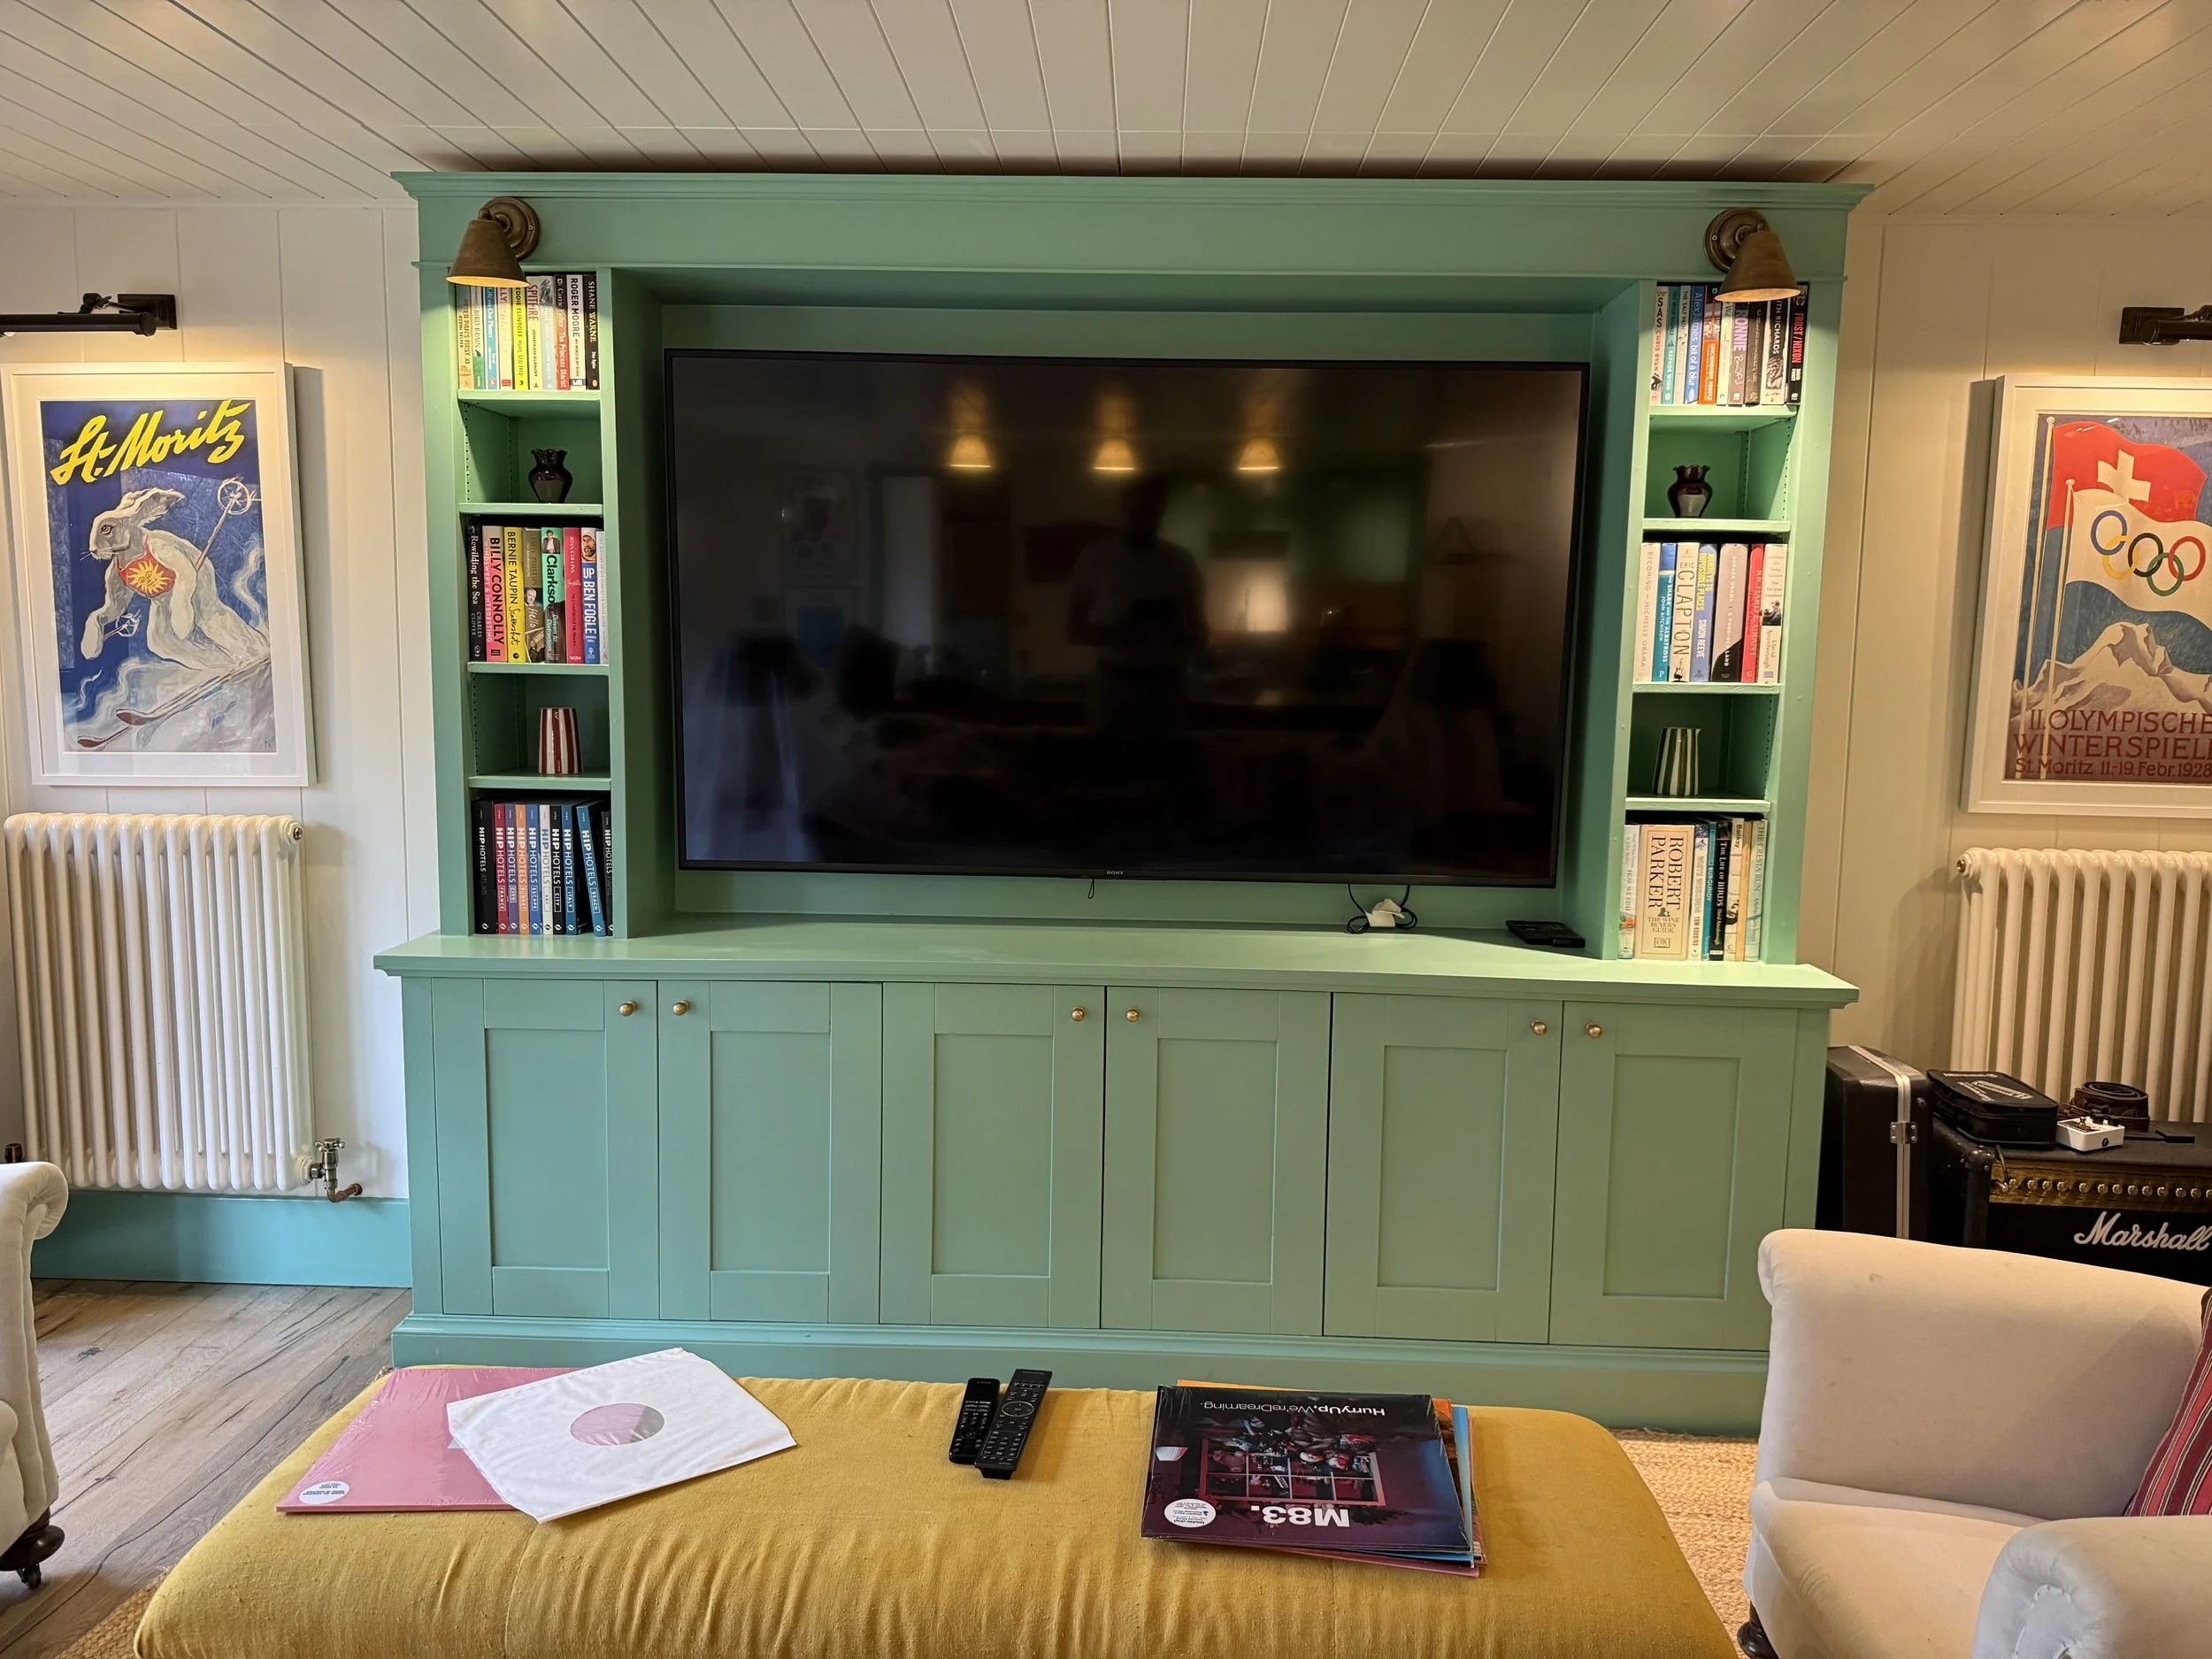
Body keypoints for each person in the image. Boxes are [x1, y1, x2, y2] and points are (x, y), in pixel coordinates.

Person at [1066, 473, 1205, 733]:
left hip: (1166, 683)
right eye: (1139, 507)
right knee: (1108, 763)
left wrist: (1173, 633)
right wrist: (1118, 633)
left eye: (1152, 509)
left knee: (1166, 764)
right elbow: (1073, 630)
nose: (1145, 516)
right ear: (1123, 508)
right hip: (1114, 682)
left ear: (1161, 511)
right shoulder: (1096, 556)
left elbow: (1201, 634)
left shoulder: (1180, 561)